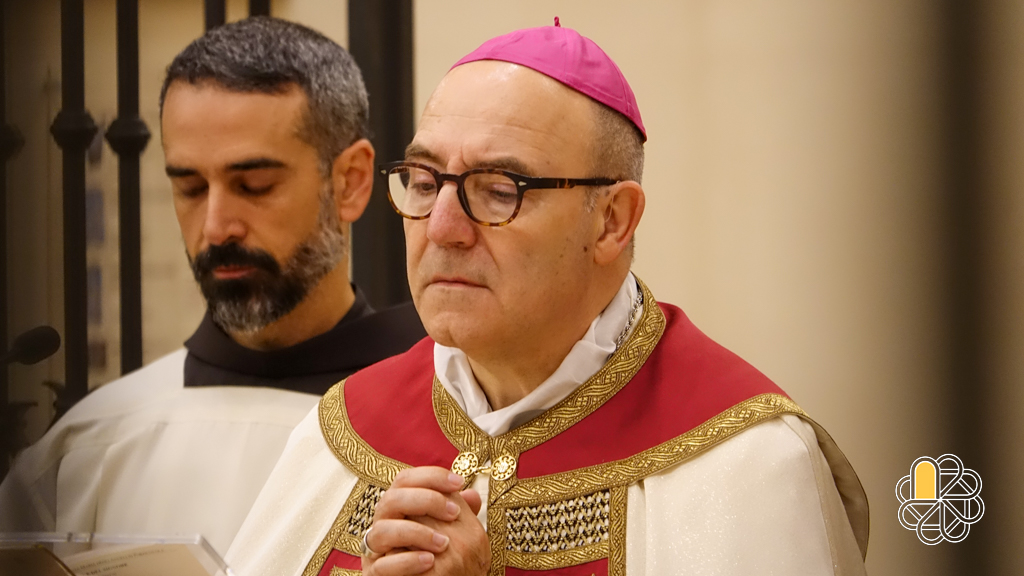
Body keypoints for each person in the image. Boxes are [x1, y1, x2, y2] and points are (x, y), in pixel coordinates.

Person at [226, 22, 868, 576]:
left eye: (499, 190)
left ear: (612, 221)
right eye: (423, 182)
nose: (442, 228)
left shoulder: (746, 462)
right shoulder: (341, 434)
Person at [0, 17, 424, 556]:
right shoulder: (91, 447)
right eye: (191, 188)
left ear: (351, 182)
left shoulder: (452, 422)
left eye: (254, 184)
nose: (217, 227)